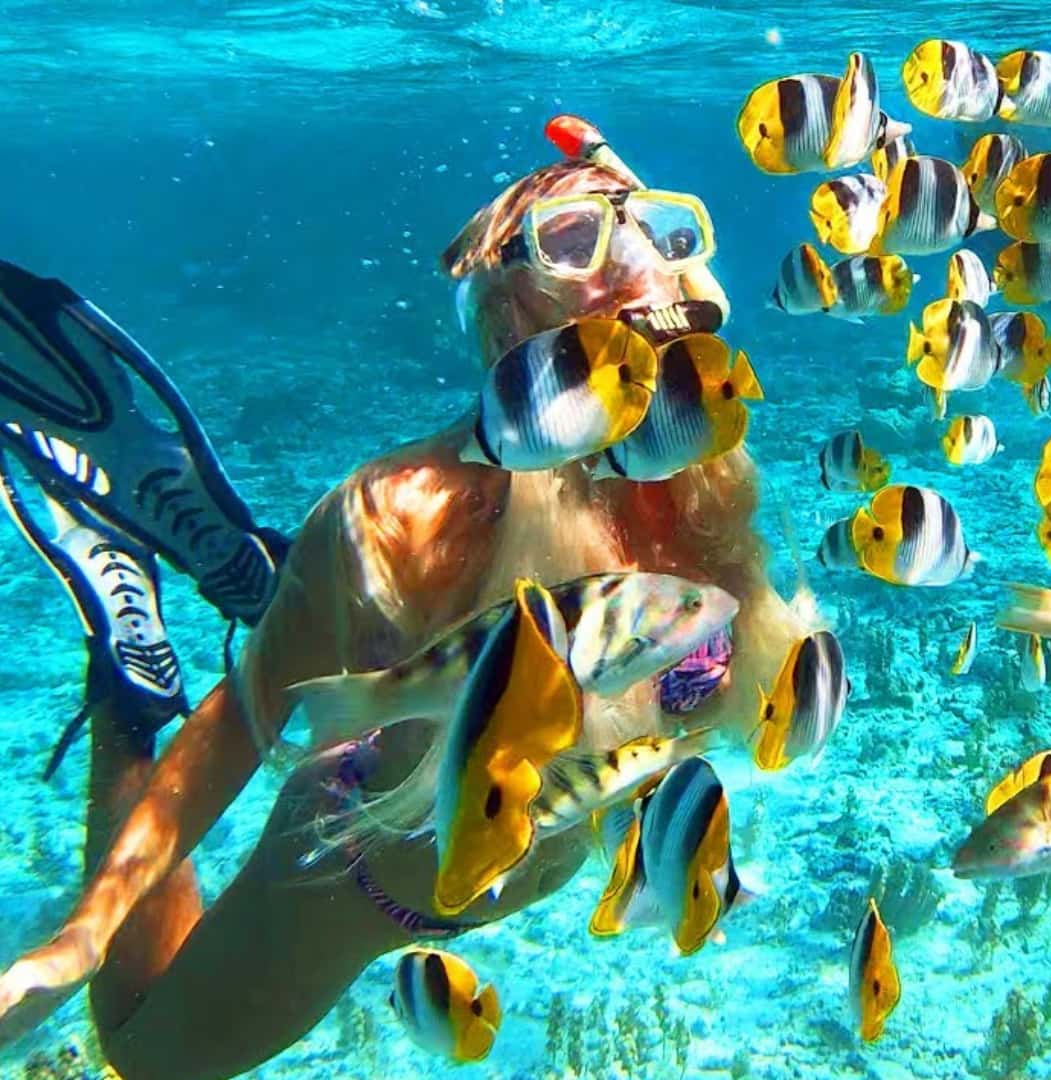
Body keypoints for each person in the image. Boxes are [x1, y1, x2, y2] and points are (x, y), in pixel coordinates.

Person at [0, 117, 807, 1078]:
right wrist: (88, 931)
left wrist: (620, 208)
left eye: (650, 235)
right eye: (574, 245)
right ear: (511, 320)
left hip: (499, 856)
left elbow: (679, 302)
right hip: (358, 881)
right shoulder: (408, 513)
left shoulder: (700, 465)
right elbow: (248, 721)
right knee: (144, 1055)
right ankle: (131, 685)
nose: (632, 263)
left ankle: (279, 596)